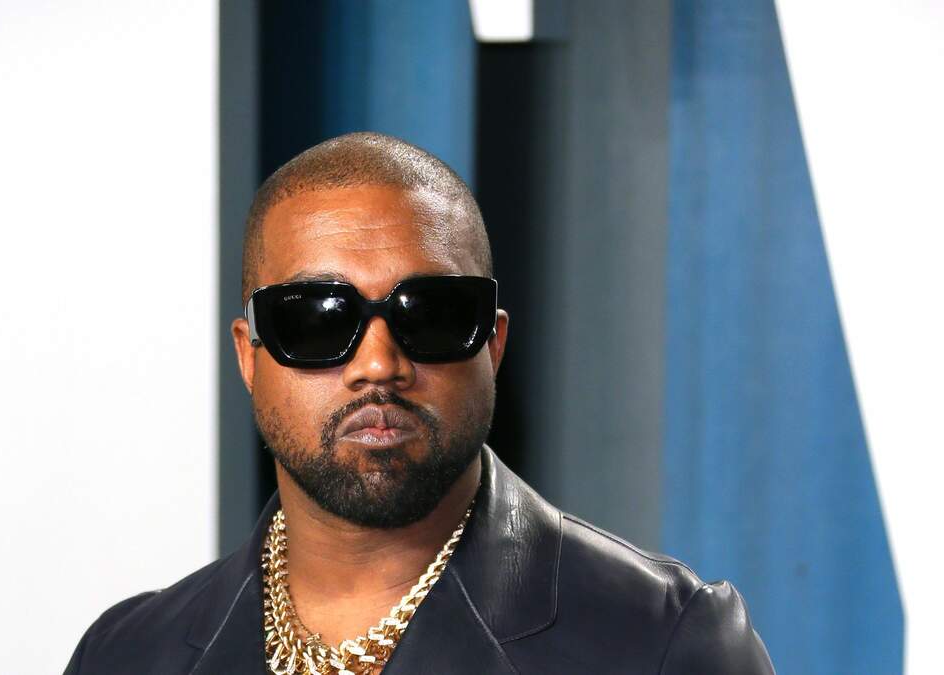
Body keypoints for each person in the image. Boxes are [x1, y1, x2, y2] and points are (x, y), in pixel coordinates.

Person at [63, 132, 774, 674]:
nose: (378, 365)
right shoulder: (126, 655)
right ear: (250, 355)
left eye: (431, 315)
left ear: (492, 345)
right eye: (316, 319)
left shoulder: (662, 642)